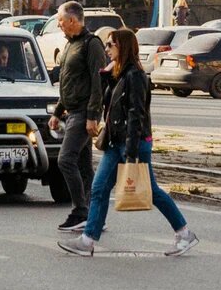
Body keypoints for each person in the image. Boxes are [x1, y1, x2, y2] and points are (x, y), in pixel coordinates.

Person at [59, 28, 199, 257]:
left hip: (132, 143)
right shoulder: (119, 74)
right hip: (116, 142)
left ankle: (184, 233)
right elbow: (111, 104)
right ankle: (88, 240)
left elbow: (136, 114)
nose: (106, 49)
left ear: (122, 47)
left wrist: (132, 154)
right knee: (99, 188)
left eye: (110, 45)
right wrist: (106, 77)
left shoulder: (135, 76)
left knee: (150, 191)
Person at [48, 1, 106, 233]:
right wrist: (58, 112)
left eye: (60, 20)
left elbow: (98, 83)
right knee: (83, 166)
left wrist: (93, 116)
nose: (59, 25)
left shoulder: (91, 45)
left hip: (84, 114)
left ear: (72, 20)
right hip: (72, 112)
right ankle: (94, 214)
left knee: (65, 160)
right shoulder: (70, 45)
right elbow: (69, 82)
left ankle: (80, 211)